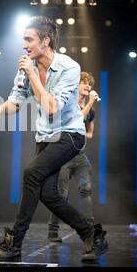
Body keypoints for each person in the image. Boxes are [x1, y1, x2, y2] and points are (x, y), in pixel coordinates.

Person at [0, 16, 106, 262]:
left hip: (70, 134)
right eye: (24, 40)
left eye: (29, 40)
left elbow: (51, 108)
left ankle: (13, 244)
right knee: (49, 195)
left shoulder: (70, 68)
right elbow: (15, 104)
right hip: (45, 136)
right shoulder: (26, 67)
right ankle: (92, 235)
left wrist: (33, 75)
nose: (24, 45)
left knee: (31, 173)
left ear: (45, 41)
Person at [47, 73, 108, 255]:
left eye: (90, 84)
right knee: (62, 196)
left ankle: (89, 232)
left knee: (86, 190)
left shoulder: (91, 112)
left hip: (79, 155)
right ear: (77, 84)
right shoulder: (69, 102)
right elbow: (76, 120)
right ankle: (52, 231)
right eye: (84, 83)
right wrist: (90, 103)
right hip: (64, 155)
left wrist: (82, 134)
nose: (88, 86)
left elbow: (89, 133)